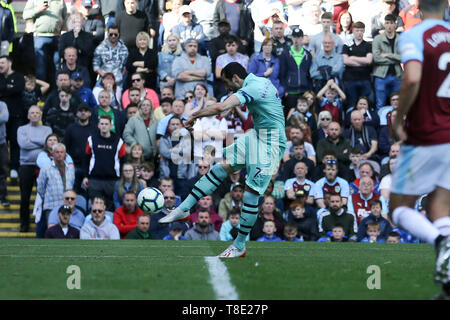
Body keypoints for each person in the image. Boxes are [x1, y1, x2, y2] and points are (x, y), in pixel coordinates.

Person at [159, 62, 286, 258]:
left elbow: (221, 107)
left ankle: (240, 245)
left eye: (228, 83)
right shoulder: (261, 82)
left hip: (270, 143)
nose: (227, 88)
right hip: (257, 136)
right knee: (221, 168)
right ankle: (184, 208)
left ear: (236, 78)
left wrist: (194, 115)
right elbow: (227, 109)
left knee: (250, 196)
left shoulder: (253, 87)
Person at [389, 0, 450, 299]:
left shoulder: (415, 34)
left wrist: (398, 119)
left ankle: (441, 242)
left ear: (416, 7)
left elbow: (412, 77)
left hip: (426, 133)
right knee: (440, 206)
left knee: (399, 209)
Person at [17, 106, 52, 232]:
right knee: (25, 197)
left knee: (43, 197)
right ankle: (24, 224)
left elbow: (48, 144)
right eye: (32, 113)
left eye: (37, 113)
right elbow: (23, 144)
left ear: (41, 115)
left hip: (43, 167)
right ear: (28, 115)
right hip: (26, 165)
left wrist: (31, 140)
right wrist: (41, 142)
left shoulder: (47, 129)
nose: (35, 115)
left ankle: (42, 225)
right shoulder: (21, 129)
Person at [83, 114, 127, 211]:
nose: (104, 126)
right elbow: (86, 159)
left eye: (106, 124)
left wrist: (122, 179)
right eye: (102, 123)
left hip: (113, 180)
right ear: (98, 125)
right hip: (95, 180)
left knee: (110, 209)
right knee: (95, 209)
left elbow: (123, 161)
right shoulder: (91, 140)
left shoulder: (118, 141)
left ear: (111, 126)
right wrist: (85, 176)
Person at [22, 0, 68, 84]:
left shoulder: (60, 1)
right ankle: (41, 92)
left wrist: (63, 34)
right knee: (41, 68)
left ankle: (56, 92)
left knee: (57, 66)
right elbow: (25, 15)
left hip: (56, 37)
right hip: (40, 37)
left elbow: (65, 17)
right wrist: (38, 10)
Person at [36, 143, 75, 238]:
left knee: (66, 231)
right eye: (57, 152)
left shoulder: (70, 168)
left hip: (67, 206)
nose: (59, 154)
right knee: (52, 232)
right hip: (51, 206)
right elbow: (40, 188)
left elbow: (72, 184)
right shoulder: (45, 169)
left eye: (62, 152)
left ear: (65, 154)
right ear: (52, 154)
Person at [0, 55, 25, 179]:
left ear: (9, 63)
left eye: (2, 62)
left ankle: (14, 167)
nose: (0, 65)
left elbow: (18, 89)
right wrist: (8, 89)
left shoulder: (19, 76)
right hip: (1, 119)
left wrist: (4, 90)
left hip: (16, 115)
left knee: (15, 142)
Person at [372, 14, 403, 110]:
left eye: (391, 23)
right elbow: (377, 58)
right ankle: (381, 124)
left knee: (397, 104)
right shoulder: (377, 39)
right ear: (384, 24)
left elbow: (403, 57)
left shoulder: (401, 39)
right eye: (387, 23)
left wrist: (387, 55)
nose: (389, 25)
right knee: (380, 104)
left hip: (397, 75)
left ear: (395, 25)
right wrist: (395, 58)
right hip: (381, 75)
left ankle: (396, 124)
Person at [279, 27, 313, 113]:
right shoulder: (285, 53)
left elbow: (309, 74)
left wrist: (309, 89)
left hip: (304, 91)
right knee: (290, 115)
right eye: (294, 37)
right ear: (291, 38)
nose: (296, 39)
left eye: (298, 37)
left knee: (304, 115)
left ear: (302, 38)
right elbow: (282, 73)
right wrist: (285, 89)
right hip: (291, 91)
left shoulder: (307, 54)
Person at [64, 104, 96, 194]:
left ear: (90, 113)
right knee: (74, 193)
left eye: (85, 111)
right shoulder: (71, 129)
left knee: (91, 194)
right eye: (80, 111)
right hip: (75, 166)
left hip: (91, 167)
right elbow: (66, 146)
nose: (83, 113)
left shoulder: (95, 129)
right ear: (77, 113)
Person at [342, 21, 373, 109]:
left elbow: (368, 61)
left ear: (364, 31)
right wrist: (362, 61)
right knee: (351, 104)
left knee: (365, 104)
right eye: (357, 30)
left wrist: (352, 58)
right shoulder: (347, 45)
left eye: (361, 30)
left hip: (364, 79)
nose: (359, 33)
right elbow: (345, 60)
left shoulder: (368, 45)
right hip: (350, 80)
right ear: (353, 31)